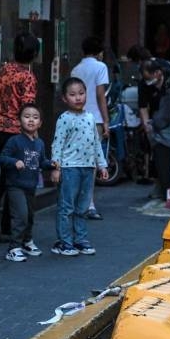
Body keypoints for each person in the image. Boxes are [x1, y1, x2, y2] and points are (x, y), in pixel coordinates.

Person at [49, 77, 108, 256]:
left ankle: (81, 240)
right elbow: (57, 144)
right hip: (69, 168)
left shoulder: (90, 118)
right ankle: (65, 242)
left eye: (81, 93)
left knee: (82, 207)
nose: (78, 98)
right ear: (65, 99)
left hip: (88, 168)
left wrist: (102, 165)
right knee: (67, 207)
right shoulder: (64, 119)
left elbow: (96, 143)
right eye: (73, 95)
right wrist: (56, 168)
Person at [0, 32, 39, 239]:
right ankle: (10, 226)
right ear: (34, 54)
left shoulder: (3, 70)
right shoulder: (27, 77)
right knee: (15, 180)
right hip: (15, 133)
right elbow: (27, 108)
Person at [0, 103, 55, 262]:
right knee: (21, 216)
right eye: (27, 116)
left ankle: (27, 241)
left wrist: (51, 164)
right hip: (15, 186)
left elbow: (41, 161)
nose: (31, 120)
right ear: (19, 121)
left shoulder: (39, 143)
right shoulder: (14, 141)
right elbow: (2, 158)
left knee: (30, 216)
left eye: (35, 117)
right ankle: (13, 247)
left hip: (31, 186)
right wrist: (14, 162)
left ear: (40, 123)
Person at [69, 36, 110, 220]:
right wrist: (106, 121)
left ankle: (77, 201)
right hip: (95, 119)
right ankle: (89, 204)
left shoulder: (76, 69)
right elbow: (101, 94)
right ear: (99, 52)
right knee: (92, 163)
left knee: (77, 160)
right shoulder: (100, 67)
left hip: (77, 117)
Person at [139, 59, 170, 199]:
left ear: (158, 73)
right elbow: (143, 106)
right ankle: (160, 185)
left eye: (149, 78)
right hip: (155, 120)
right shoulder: (144, 85)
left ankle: (168, 186)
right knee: (157, 153)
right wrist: (147, 125)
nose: (148, 81)